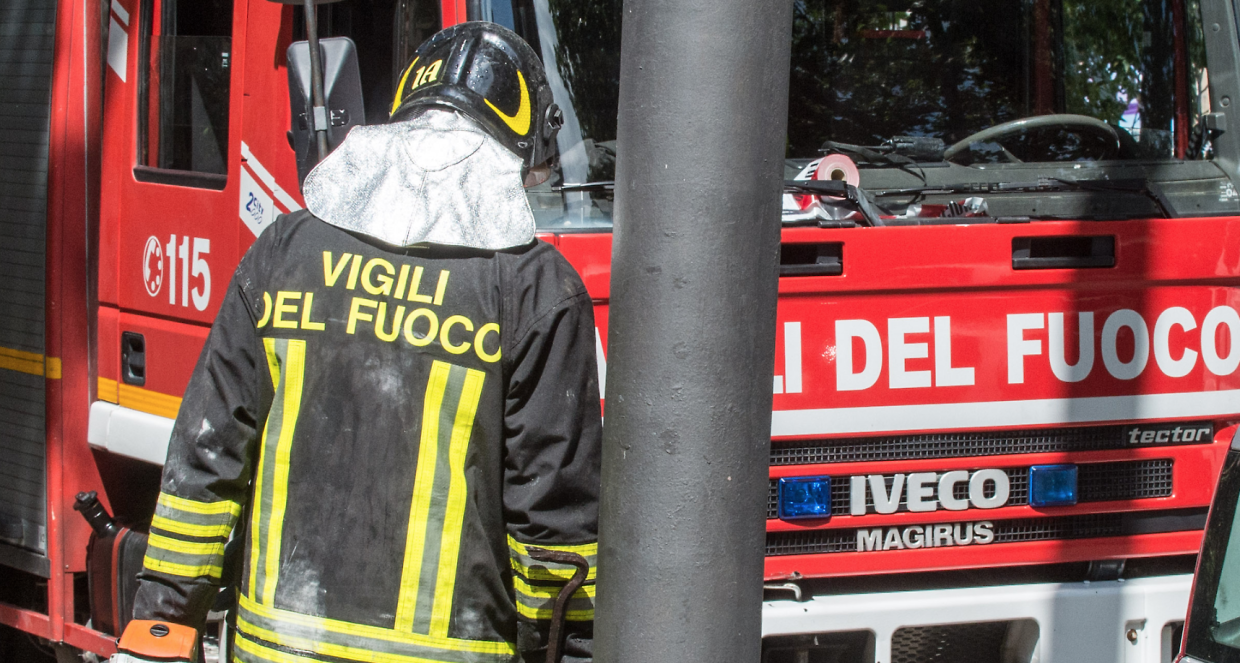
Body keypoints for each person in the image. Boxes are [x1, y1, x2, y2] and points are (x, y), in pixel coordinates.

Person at [119, 22, 601, 663]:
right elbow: (552, 524)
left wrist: (162, 626)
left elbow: (206, 459)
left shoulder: (284, 255)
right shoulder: (538, 292)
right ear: (515, 149)